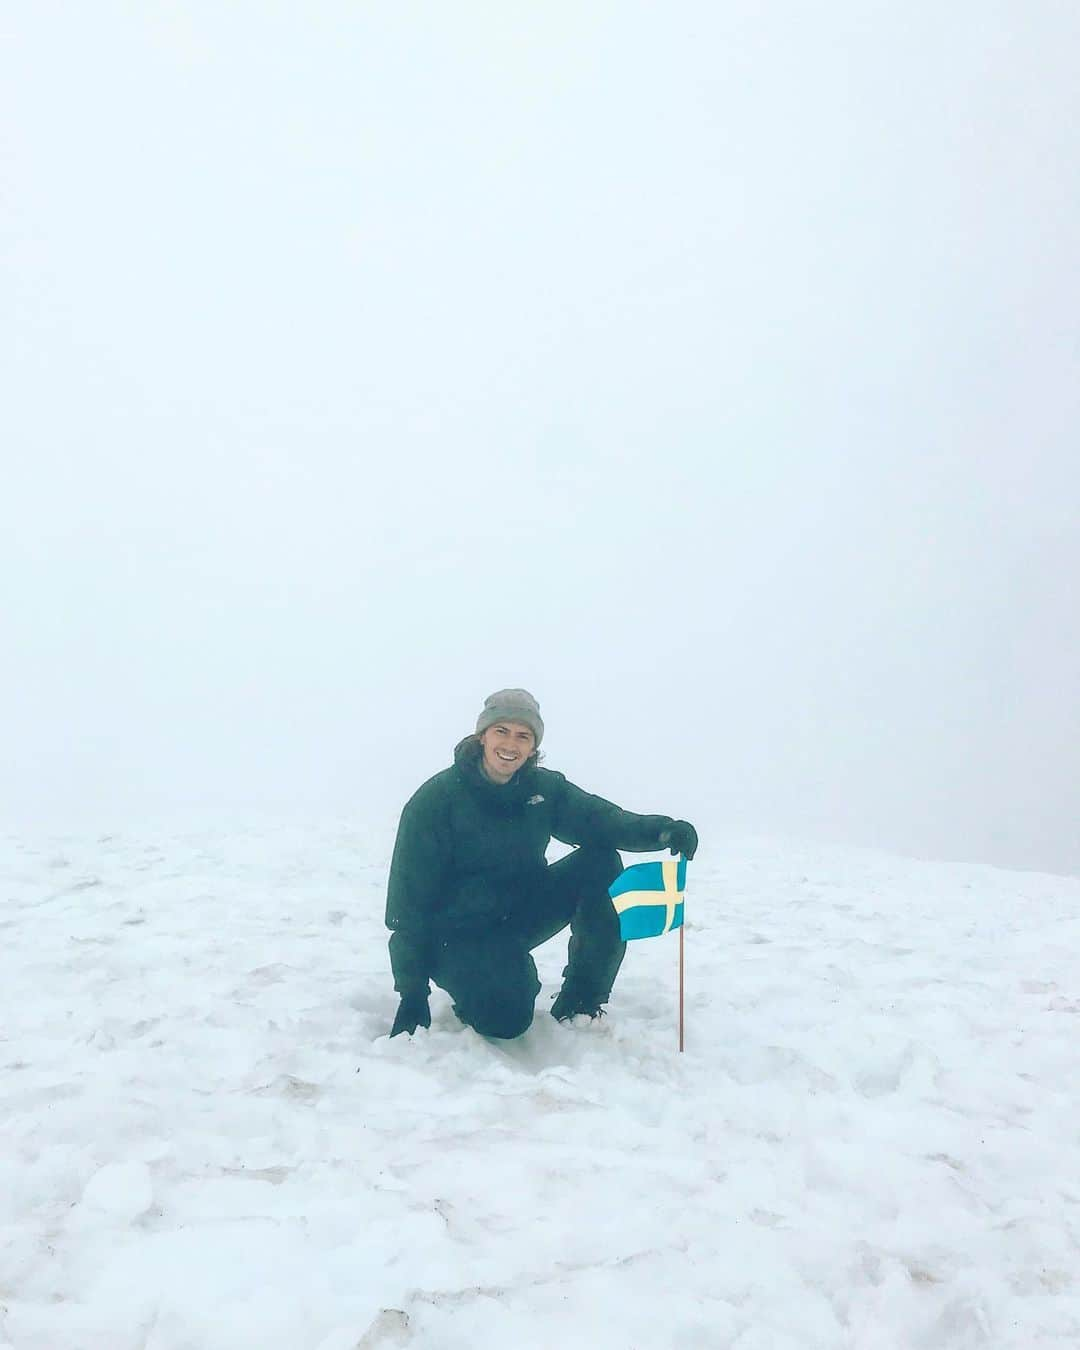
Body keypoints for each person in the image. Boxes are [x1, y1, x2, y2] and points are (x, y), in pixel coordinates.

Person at [384, 688, 698, 1040]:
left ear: (533, 747)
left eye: (523, 736)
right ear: (482, 736)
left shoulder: (543, 789)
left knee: (600, 862)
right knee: (507, 1020)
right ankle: (481, 985)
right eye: (501, 731)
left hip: (518, 912)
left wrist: (662, 832)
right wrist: (412, 994)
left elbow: (602, 821)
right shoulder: (436, 801)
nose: (511, 744)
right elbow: (407, 906)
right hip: (457, 936)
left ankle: (581, 1000)